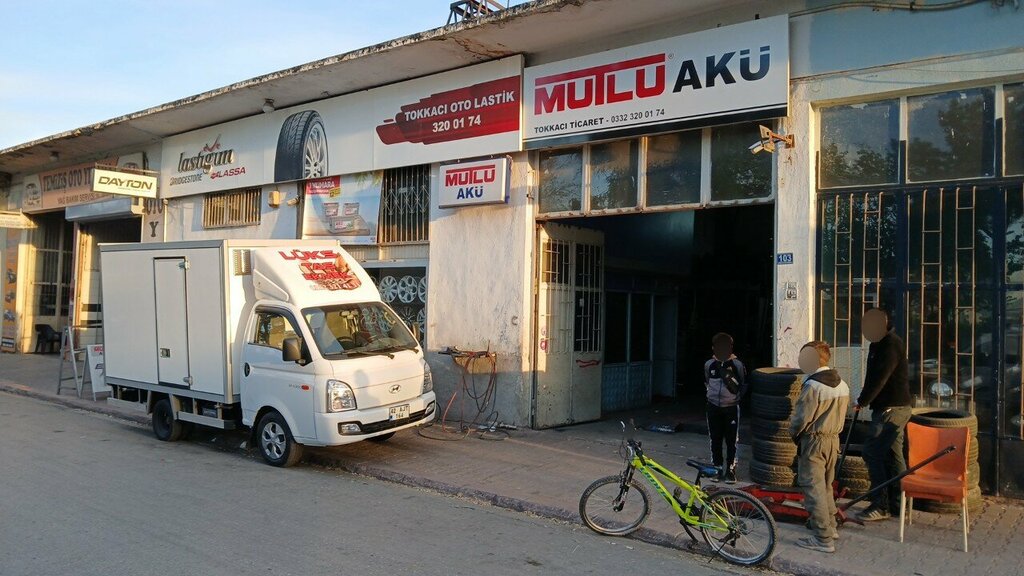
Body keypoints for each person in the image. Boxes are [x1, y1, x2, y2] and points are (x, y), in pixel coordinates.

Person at [791, 341, 850, 554]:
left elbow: (801, 419)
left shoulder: (813, 386)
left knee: (813, 488)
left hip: (814, 441)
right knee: (826, 485)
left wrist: (794, 436)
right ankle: (831, 527)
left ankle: (822, 538)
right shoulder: (842, 384)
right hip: (833, 440)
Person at [856, 308, 913, 522]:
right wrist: (864, 399)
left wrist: (863, 400)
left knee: (872, 452)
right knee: (893, 454)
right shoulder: (877, 344)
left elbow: (881, 376)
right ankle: (899, 504)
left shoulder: (891, 344)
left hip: (892, 409)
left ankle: (881, 504)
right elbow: (871, 377)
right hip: (888, 407)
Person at [704, 332, 747, 484]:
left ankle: (730, 469)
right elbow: (707, 381)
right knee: (715, 438)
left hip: (731, 408)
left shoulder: (737, 365)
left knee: (731, 440)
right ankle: (716, 468)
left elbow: (743, 384)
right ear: (713, 348)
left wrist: (735, 399)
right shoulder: (709, 365)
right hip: (713, 407)